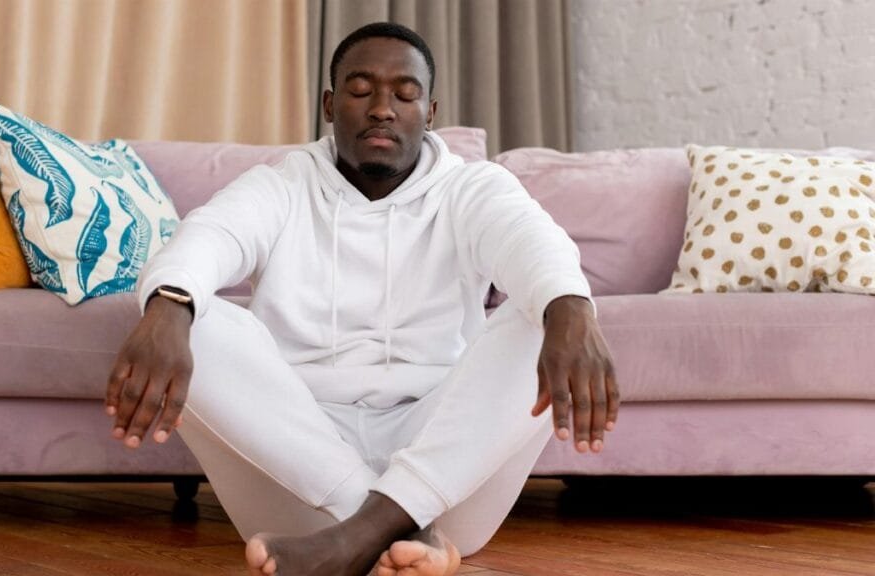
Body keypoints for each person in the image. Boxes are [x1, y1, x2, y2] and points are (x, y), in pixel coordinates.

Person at [104, 22, 618, 576]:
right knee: (192, 313)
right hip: (299, 484)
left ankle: (366, 534)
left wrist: (571, 308)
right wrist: (169, 305)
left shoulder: (472, 187)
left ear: (430, 110)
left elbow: (528, 238)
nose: (382, 108)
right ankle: (393, 533)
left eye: (405, 93)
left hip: (445, 479)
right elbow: (212, 234)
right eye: (360, 89)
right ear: (329, 103)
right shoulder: (283, 183)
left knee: (549, 314)